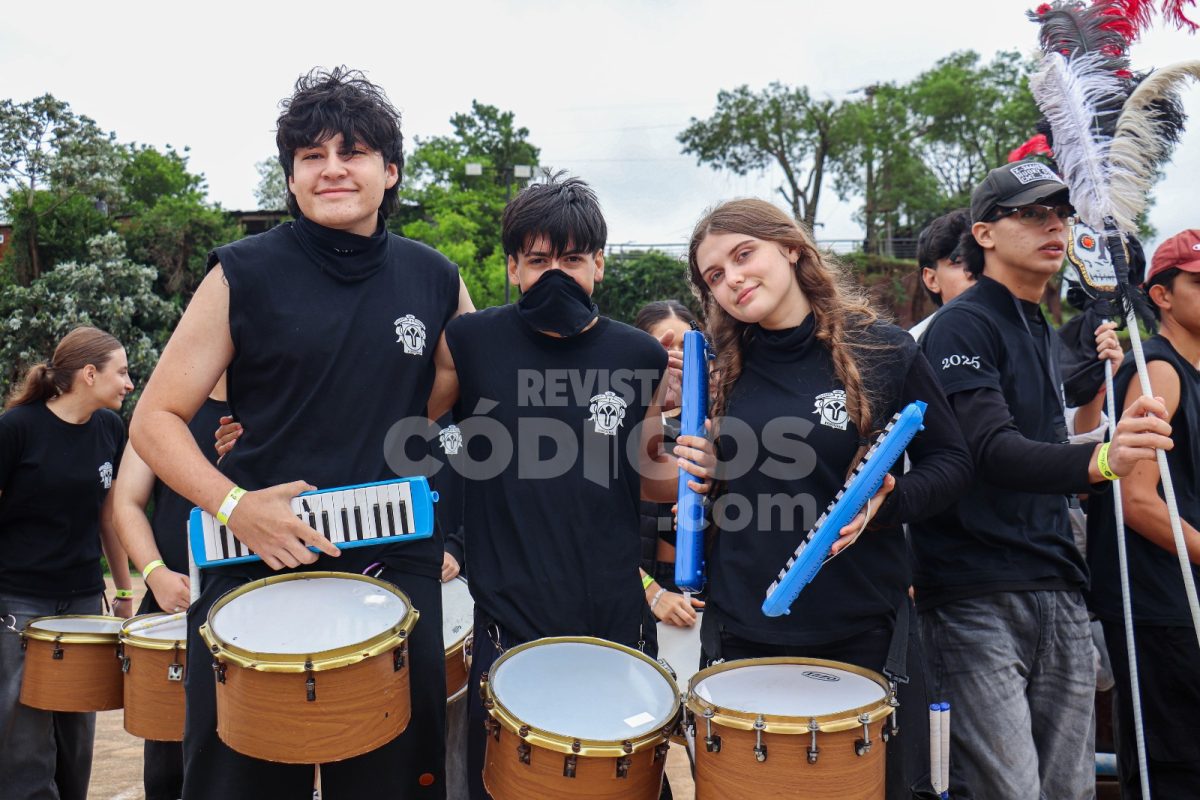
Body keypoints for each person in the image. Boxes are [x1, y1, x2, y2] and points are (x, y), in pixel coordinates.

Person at [130, 67, 472, 799]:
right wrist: (234, 506)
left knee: (391, 783)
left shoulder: (435, 277)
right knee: (239, 781)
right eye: (311, 157)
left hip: (395, 559)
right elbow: (153, 420)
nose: (333, 169)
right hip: (255, 553)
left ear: (391, 170)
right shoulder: (241, 273)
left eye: (351, 152)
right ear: (291, 178)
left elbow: (463, 388)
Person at [683, 198, 974, 800]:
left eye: (744, 255)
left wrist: (882, 506)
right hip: (744, 632)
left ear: (790, 247)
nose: (732, 279)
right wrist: (711, 472)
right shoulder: (717, 368)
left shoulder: (885, 350)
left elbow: (953, 463)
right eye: (715, 275)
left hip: (859, 632)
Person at [911, 161, 1174, 800]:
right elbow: (988, 450)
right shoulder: (963, 323)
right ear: (984, 233)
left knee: (1071, 790)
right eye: (1030, 214)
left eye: (1059, 213)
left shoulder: (1038, 326)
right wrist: (1105, 458)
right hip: (976, 592)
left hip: (1057, 580)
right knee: (1010, 791)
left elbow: (1042, 447)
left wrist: (1111, 436)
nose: (1053, 225)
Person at [434, 175, 697, 800]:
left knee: (616, 781)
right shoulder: (472, 341)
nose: (556, 274)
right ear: (513, 267)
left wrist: (698, 458)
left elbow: (652, 484)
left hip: (611, 607)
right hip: (507, 609)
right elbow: (407, 423)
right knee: (509, 779)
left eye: (572, 259)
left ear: (599, 265)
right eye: (538, 259)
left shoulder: (639, 354)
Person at [1087, 228, 1200, 799]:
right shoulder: (1159, 371)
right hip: (1159, 606)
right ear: (1162, 295)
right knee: (1173, 769)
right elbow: (1135, 500)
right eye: (1199, 282)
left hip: (1186, 599)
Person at [0, 325, 135, 800]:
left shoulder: (109, 429)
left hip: (81, 599)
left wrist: (122, 591)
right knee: (24, 732)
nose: (129, 383)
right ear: (89, 373)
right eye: (122, 372)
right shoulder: (16, 430)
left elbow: (109, 514)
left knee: (78, 725)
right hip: (18, 600)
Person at [110, 375, 229, 800]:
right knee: (167, 768)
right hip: (171, 606)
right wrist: (155, 573)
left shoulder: (277, 402)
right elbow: (127, 501)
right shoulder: (164, 409)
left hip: (255, 606)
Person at [632, 299, 705, 628]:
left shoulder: (719, 423)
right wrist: (651, 592)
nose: (676, 359)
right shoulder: (619, 428)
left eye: (684, 346)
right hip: (641, 594)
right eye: (663, 347)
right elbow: (592, 527)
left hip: (706, 596)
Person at [909, 209, 974, 340]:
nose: (974, 271)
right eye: (958, 262)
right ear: (932, 279)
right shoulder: (911, 349)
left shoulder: (1022, 332)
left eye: (984, 261)